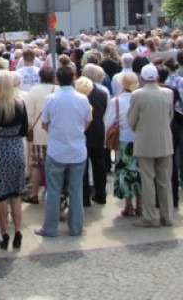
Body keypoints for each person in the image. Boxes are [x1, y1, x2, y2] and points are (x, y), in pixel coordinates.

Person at [35, 65, 91, 238]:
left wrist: (56, 132)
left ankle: (50, 228)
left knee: (53, 191)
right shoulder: (83, 99)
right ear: (73, 78)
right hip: (77, 150)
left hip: (57, 150)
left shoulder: (51, 99)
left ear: (57, 80)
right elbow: (88, 121)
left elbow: (44, 124)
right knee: (76, 190)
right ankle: (76, 227)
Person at [128, 63, 174, 227]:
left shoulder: (137, 95)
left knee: (147, 181)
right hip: (164, 141)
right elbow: (170, 116)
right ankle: (167, 216)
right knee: (165, 181)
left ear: (142, 78)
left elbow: (131, 120)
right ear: (157, 77)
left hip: (145, 142)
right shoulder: (168, 93)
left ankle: (150, 217)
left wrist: (140, 129)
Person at [0, 69, 28, 250]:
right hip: (16, 148)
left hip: (1, 151)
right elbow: (24, 130)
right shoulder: (20, 104)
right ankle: (18, 230)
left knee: (1, 195)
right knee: (16, 194)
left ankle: (4, 233)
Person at [106, 71, 142, 217]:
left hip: (123, 139)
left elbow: (109, 122)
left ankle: (128, 204)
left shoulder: (116, 101)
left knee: (124, 171)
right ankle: (140, 203)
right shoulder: (140, 98)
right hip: (139, 138)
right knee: (139, 170)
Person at [24, 66, 57, 203]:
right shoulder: (58, 90)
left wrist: (29, 127)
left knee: (37, 166)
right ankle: (53, 193)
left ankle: (34, 194)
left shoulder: (34, 91)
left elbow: (28, 114)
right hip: (55, 134)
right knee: (54, 166)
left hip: (39, 134)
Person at [75, 76, 108, 206]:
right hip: (98, 131)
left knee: (82, 166)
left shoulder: (77, 98)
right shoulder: (102, 94)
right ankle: (101, 194)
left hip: (82, 133)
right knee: (99, 164)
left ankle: (85, 197)